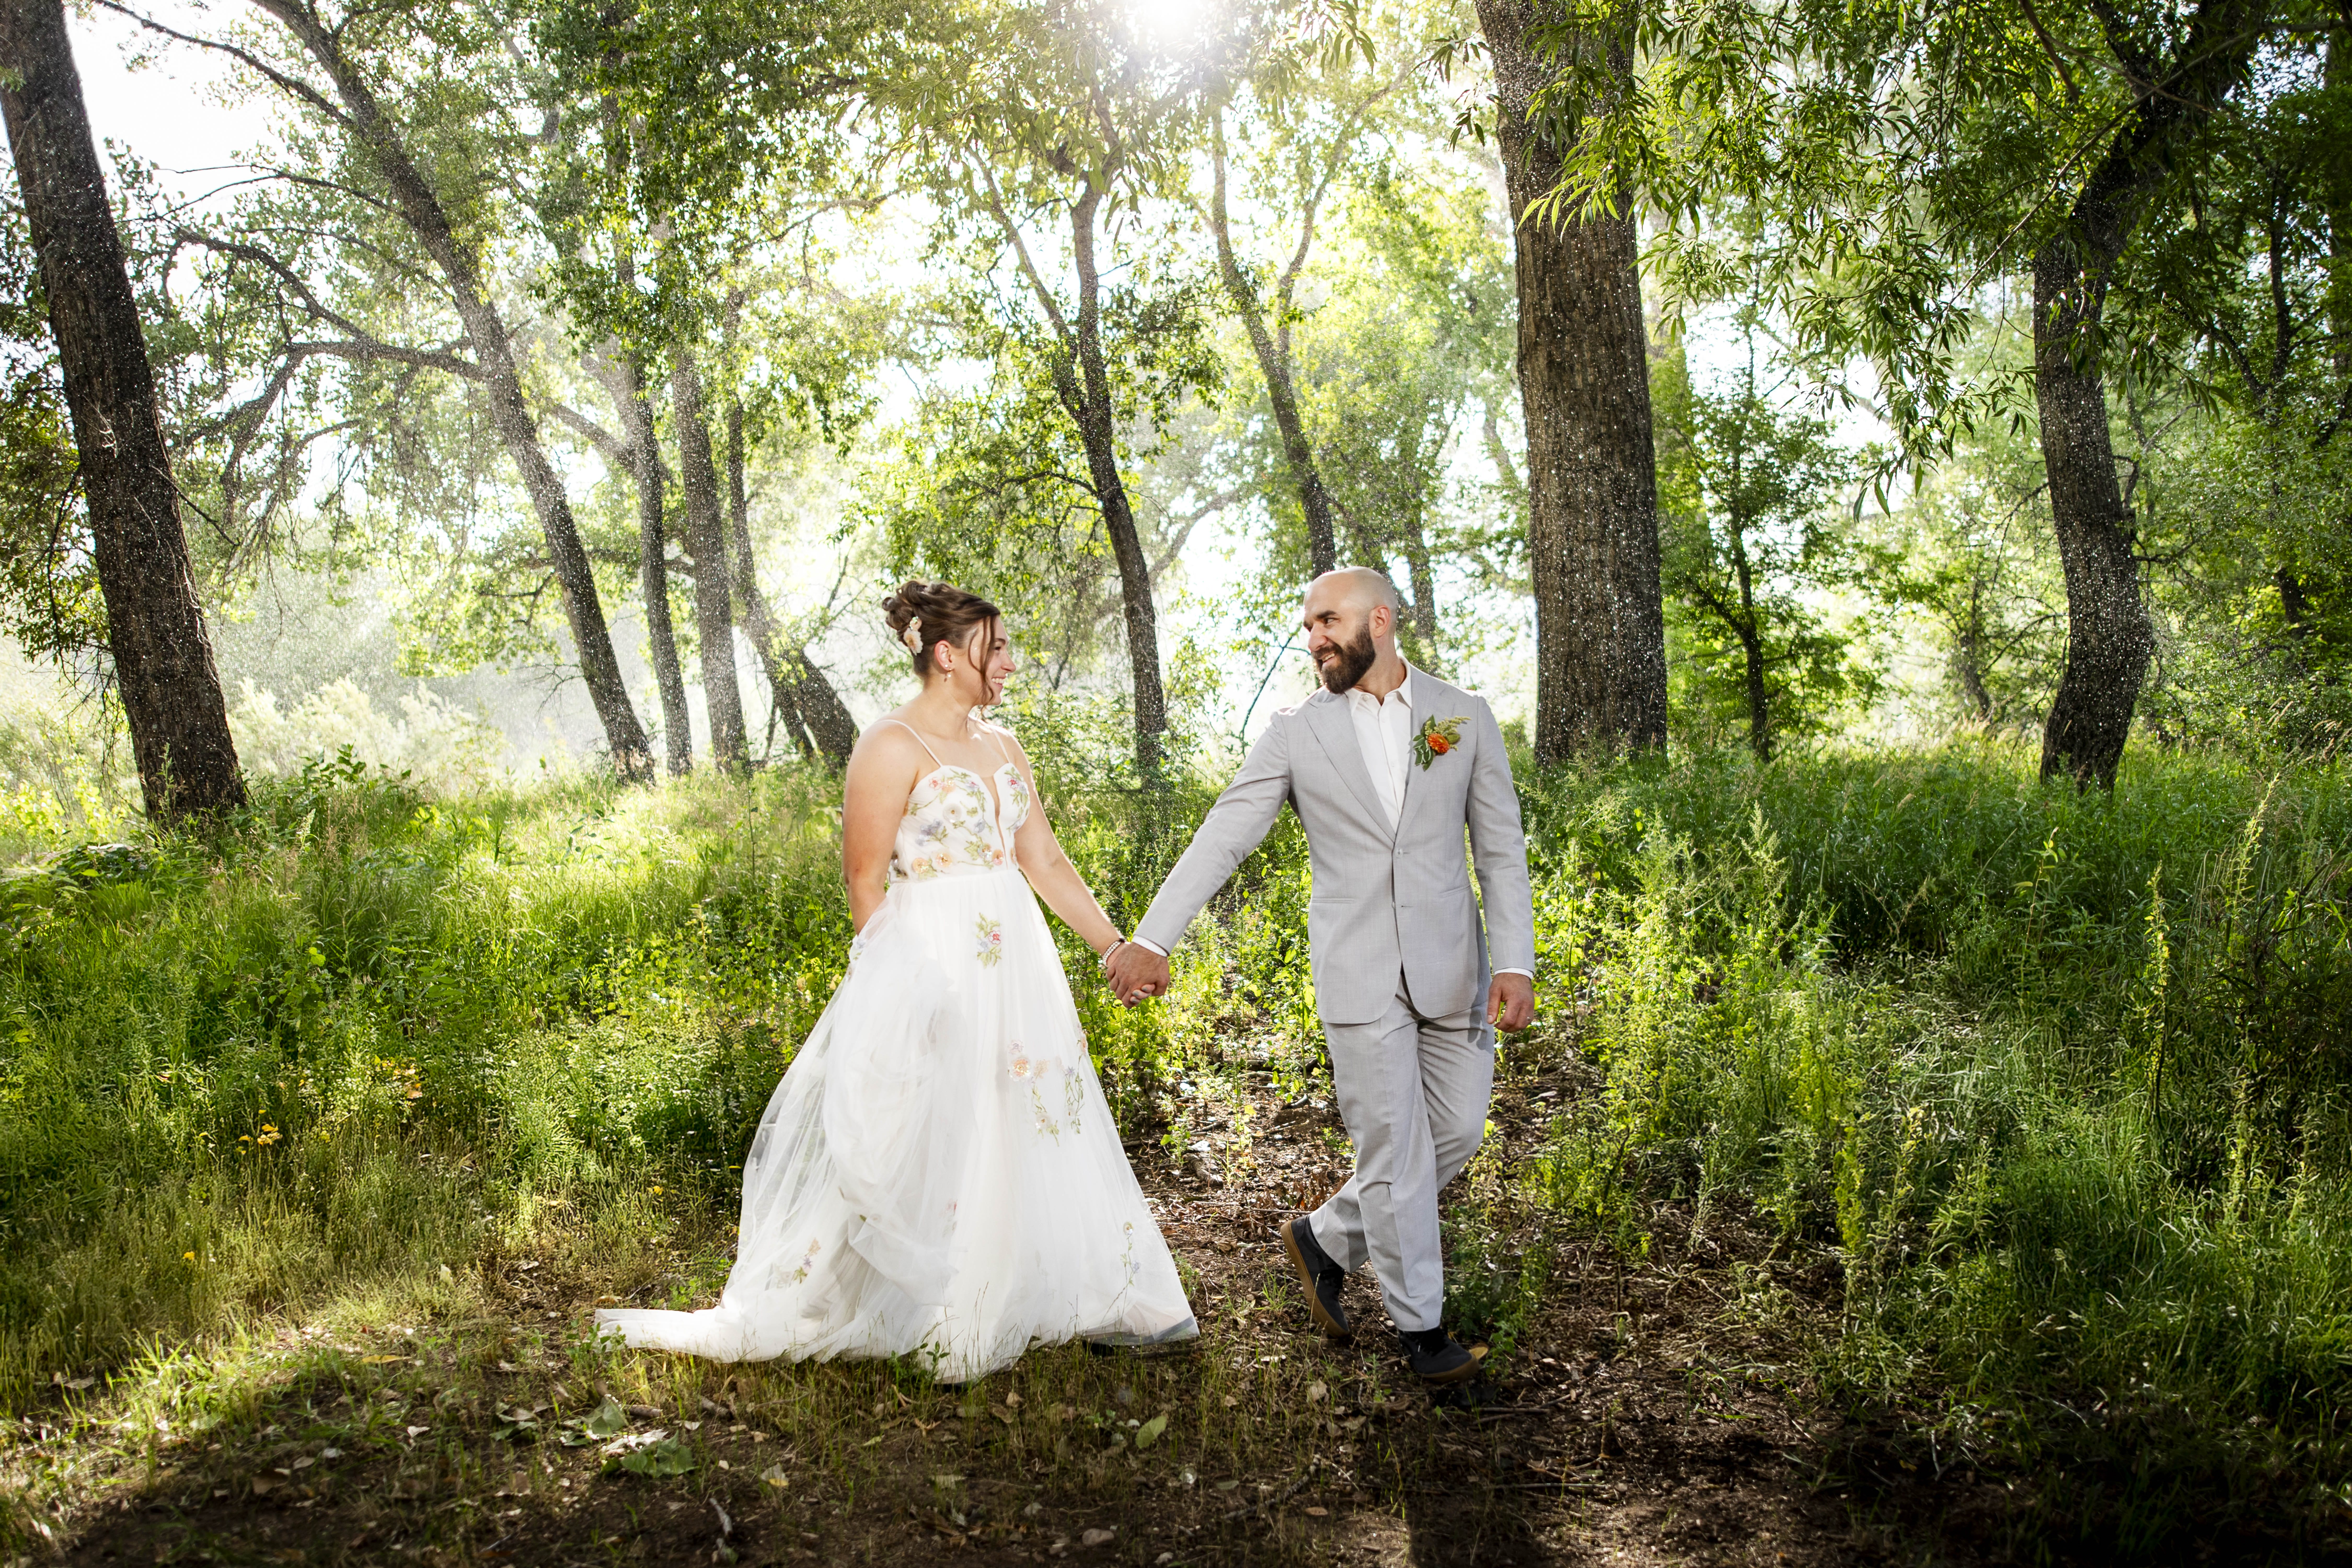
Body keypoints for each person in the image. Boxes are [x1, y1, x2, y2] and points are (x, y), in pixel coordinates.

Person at [595, 581, 1197, 1382]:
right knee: (947, 1120)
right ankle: (951, 1304)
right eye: (998, 649)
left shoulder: (1004, 748)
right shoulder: (891, 744)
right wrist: (903, 989)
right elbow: (864, 882)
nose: (1012, 663)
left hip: (1014, 959)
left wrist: (1113, 945)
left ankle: (1074, 1288)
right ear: (947, 656)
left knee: (1038, 1109)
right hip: (933, 959)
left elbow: (1042, 860)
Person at [1108, 568, 1534, 1384]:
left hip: (1454, 971)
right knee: (1396, 1151)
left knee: (1457, 1135)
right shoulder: (1295, 731)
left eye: (1328, 622)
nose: (1315, 640)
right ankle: (1423, 1336)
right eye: (1308, 628)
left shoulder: (1462, 716)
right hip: (1360, 973)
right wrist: (1154, 938)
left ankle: (1325, 1239)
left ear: (1382, 618)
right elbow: (1225, 834)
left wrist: (1514, 959)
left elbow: (1500, 848)